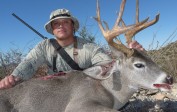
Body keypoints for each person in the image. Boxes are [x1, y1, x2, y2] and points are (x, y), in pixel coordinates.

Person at [0, 8, 144, 89]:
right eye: (56, 24)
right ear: (52, 29)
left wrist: (128, 55)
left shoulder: (88, 47)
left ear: (73, 26)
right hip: (55, 89)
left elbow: (107, 64)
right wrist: (13, 77)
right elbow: (29, 63)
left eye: (65, 22)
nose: (61, 26)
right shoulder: (44, 47)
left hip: (84, 90)